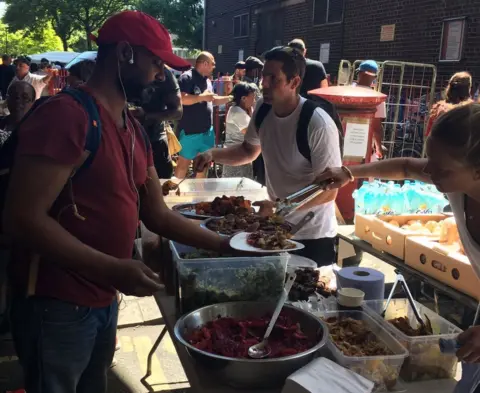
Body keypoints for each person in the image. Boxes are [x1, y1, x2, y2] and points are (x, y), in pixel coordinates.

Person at [4, 11, 230, 393]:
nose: (161, 75)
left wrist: (228, 246)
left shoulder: (132, 129)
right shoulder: (67, 116)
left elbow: (156, 213)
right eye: (156, 62)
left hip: (104, 300)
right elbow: (22, 219)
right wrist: (112, 267)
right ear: (125, 53)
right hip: (56, 306)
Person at [316, 103, 480, 393]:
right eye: (429, 159)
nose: (429, 170)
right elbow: (406, 166)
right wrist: (349, 173)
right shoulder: (457, 182)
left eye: (440, 168)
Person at [194, 46, 342, 266]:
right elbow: (248, 151)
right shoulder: (263, 108)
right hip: (274, 228)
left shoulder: (317, 123)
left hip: (312, 235)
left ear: (294, 82)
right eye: (264, 76)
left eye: (274, 78)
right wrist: (212, 154)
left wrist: (281, 207)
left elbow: (330, 191)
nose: (264, 84)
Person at [175, 52, 231, 178]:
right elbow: (182, 99)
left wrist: (230, 98)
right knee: (183, 166)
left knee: (203, 166)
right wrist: (202, 97)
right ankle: (176, 195)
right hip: (190, 132)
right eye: (213, 64)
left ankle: (199, 196)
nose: (214, 67)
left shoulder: (208, 81)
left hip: (207, 132)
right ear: (205, 63)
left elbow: (212, 99)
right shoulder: (187, 77)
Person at [135, 66, 184, 178]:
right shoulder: (118, 68)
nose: (160, 74)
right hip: (124, 141)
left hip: (155, 140)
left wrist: (146, 116)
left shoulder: (166, 75)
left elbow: (178, 112)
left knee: (162, 184)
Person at [222, 82, 257, 179]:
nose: (254, 101)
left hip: (241, 155)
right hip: (236, 156)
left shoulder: (243, 110)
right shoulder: (237, 112)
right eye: (252, 97)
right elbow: (252, 134)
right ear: (243, 98)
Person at [353, 60, 386, 159]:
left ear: (359, 74)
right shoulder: (378, 98)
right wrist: (379, 147)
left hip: (344, 140)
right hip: (365, 144)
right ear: (375, 77)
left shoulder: (345, 93)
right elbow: (376, 127)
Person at [425, 71, 473, 138]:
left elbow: (428, 135)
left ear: (450, 87)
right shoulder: (473, 110)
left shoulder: (437, 108)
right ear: (468, 89)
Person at [0, 81, 36, 146]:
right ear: (7, 100)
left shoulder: (39, 130)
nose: (18, 101)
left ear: (33, 103)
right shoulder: (2, 125)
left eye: (25, 98)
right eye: (13, 96)